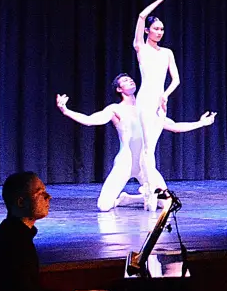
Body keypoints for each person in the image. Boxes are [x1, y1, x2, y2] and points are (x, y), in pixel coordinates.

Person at [56, 74, 216, 211]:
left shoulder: (147, 110)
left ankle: (131, 199)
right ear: (119, 89)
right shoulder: (115, 109)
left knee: (167, 203)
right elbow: (90, 120)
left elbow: (174, 126)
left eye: (131, 79)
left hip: (144, 164)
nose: (130, 81)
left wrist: (201, 123)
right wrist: (66, 110)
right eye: (125, 80)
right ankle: (133, 197)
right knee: (103, 206)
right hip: (125, 162)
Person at [132, 0, 182, 212]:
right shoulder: (140, 48)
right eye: (156, 28)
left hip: (160, 102)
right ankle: (151, 194)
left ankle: (150, 192)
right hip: (144, 101)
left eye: (162, 29)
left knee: (151, 148)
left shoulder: (167, 53)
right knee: (146, 149)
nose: (159, 32)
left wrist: (166, 94)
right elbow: (142, 15)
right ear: (147, 31)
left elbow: (176, 80)